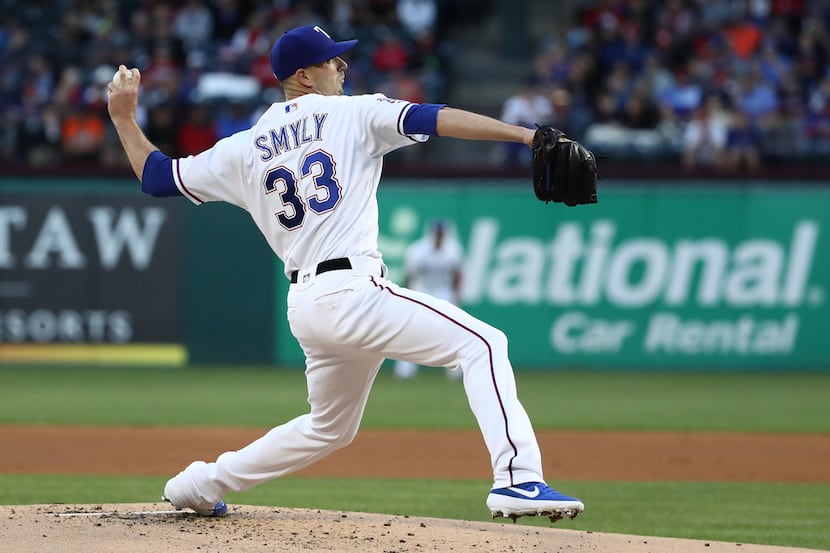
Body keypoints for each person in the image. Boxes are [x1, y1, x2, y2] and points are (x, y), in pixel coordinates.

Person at [106, 24, 584, 523]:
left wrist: (123, 118)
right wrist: (528, 134)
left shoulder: (243, 148)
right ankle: (517, 479)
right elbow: (435, 118)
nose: (342, 67)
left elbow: (158, 178)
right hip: (352, 290)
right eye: (332, 61)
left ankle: (200, 484)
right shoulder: (353, 113)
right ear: (304, 76)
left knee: (329, 428)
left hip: (306, 305)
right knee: (483, 344)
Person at [393, 219, 463, 381]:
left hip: (443, 291)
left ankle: (455, 371)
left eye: (441, 233)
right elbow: (409, 275)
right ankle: (404, 371)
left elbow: (457, 273)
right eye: (437, 233)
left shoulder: (453, 249)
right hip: (422, 290)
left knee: (451, 330)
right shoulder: (418, 250)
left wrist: (456, 294)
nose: (439, 236)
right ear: (432, 233)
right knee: (411, 330)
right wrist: (406, 296)